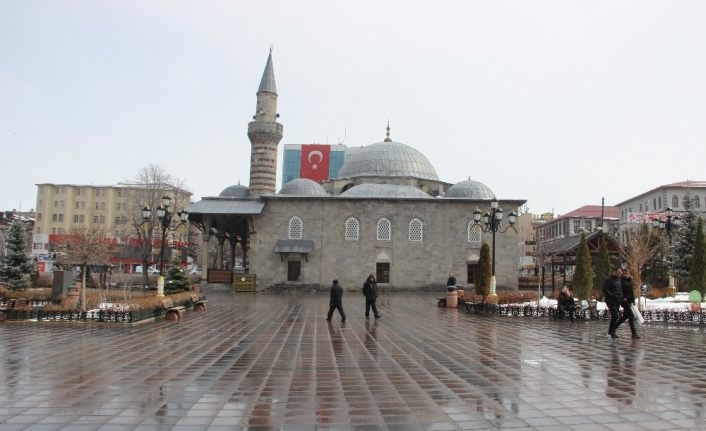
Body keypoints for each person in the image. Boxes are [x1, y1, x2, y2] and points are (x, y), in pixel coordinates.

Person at [615, 269, 640, 339]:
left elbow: (631, 291)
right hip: (624, 301)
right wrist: (623, 298)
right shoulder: (620, 281)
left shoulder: (630, 280)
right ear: (622, 274)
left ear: (629, 273)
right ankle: (634, 334)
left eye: (627, 273)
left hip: (629, 301)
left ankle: (613, 329)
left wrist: (633, 301)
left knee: (624, 317)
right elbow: (619, 291)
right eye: (624, 273)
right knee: (631, 316)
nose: (626, 274)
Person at [603, 267, 624, 339]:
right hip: (610, 300)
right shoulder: (609, 279)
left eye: (620, 272)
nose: (620, 273)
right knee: (615, 315)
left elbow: (621, 290)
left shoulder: (620, 280)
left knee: (615, 316)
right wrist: (612, 295)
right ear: (614, 272)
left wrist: (622, 297)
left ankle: (611, 332)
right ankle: (612, 332)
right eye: (619, 272)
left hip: (618, 300)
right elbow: (605, 289)